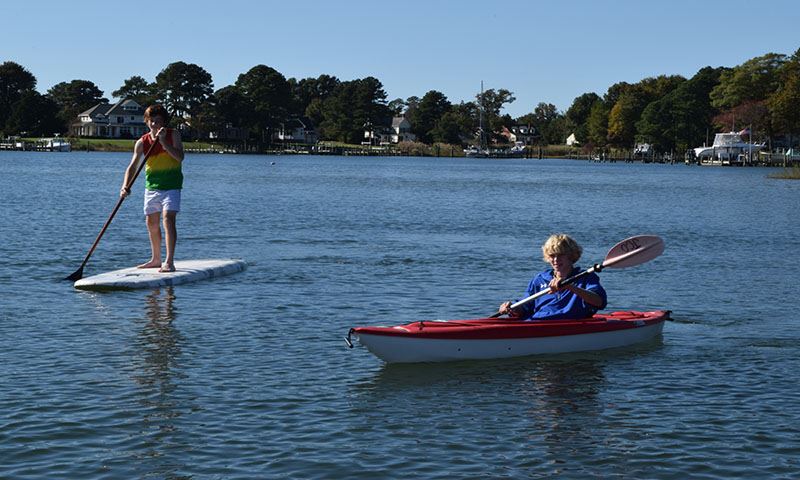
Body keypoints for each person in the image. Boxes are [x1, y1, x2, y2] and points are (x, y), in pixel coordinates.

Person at [120, 104, 185, 273]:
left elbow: (179, 158)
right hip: (152, 187)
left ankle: (169, 261)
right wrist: (125, 186)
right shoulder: (142, 142)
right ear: (147, 122)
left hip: (171, 186)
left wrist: (163, 141)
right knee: (151, 222)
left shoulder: (173, 135)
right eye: (151, 121)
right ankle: (156, 259)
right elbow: (132, 167)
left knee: (168, 219)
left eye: (158, 121)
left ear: (164, 122)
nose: (155, 125)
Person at [499, 234, 607, 320]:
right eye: (552, 256)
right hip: (537, 323)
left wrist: (569, 287)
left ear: (571, 256)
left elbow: (599, 302)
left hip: (567, 325)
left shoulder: (585, 277)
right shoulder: (539, 279)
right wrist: (512, 308)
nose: (555, 260)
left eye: (560, 255)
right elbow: (525, 308)